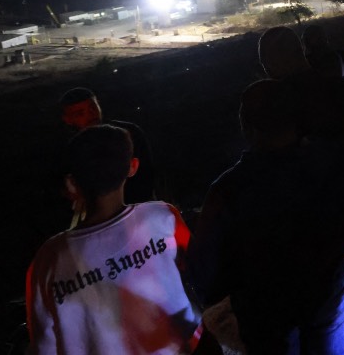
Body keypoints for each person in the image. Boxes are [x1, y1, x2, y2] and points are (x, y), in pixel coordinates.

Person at [190, 80, 344, 355]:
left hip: (264, 316)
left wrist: (244, 287)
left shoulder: (227, 191)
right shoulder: (335, 162)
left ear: (247, 127)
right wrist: (339, 259)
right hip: (326, 297)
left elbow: (205, 277)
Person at [26, 125, 217, 355]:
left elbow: (43, 344)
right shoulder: (163, 216)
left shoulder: (48, 259)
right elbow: (199, 269)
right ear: (132, 167)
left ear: (71, 184)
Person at [58, 87, 156, 205]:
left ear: (98, 104)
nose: (91, 115)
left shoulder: (129, 133)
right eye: (80, 113)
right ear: (67, 119)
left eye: (93, 108)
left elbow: (147, 175)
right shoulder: (69, 149)